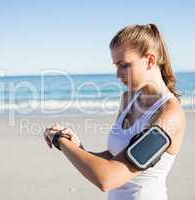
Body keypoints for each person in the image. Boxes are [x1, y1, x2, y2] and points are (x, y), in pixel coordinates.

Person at [43, 23, 186, 200]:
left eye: (124, 65)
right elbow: (115, 157)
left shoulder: (170, 115)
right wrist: (79, 147)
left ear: (150, 60)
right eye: (116, 66)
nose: (118, 74)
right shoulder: (128, 99)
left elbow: (107, 179)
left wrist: (61, 141)